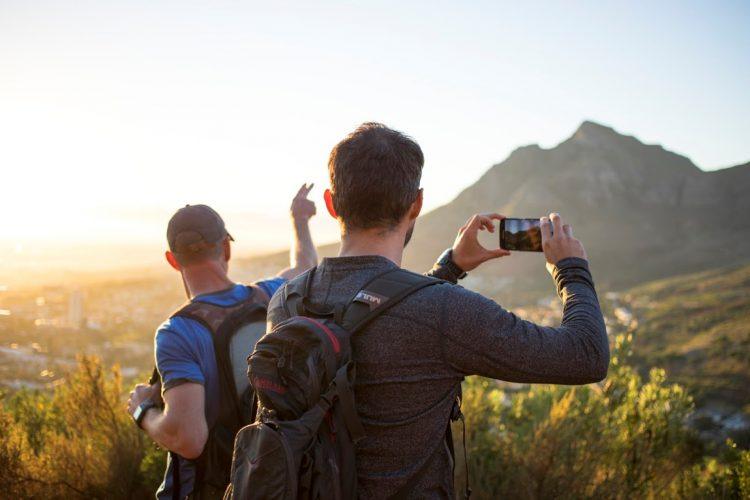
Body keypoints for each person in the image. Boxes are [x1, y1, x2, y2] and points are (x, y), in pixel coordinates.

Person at [266, 123, 609, 498]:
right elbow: (586, 355)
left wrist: (451, 268)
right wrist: (570, 268)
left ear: (331, 204)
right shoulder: (442, 313)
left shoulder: (287, 301)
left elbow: (375, 319)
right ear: (416, 204)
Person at [126, 184, 318, 499]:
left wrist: (143, 411)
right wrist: (299, 219)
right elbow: (305, 267)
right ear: (226, 249)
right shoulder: (270, 297)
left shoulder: (177, 333)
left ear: (173, 260)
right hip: (268, 481)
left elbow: (189, 439)